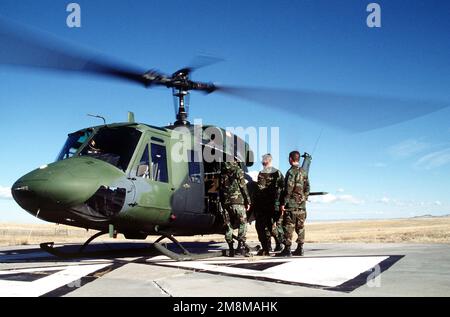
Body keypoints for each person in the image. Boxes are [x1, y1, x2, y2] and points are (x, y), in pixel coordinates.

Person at [278, 151, 310, 257]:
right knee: (300, 227)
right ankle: (300, 249)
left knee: (288, 226)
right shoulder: (303, 172)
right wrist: (303, 198)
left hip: (291, 206)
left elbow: (288, 189)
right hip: (301, 206)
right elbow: (308, 187)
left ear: (291, 159)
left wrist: (283, 203)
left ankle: (287, 249)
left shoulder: (291, 172)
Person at [253, 154, 284, 256]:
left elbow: (260, 190)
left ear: (266, 160)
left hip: (264, 206)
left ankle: (266, 248)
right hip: (274, 205)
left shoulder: (262, 173)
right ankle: (280, 243)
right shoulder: (278, 173)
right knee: (272, 226)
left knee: (261, 226)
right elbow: (283, 188)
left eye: (263, 160)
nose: (262, 161)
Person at [220, 160, 251, 257]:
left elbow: (221, 188)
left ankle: (230, 247)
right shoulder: (238, 169)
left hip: (226, 203)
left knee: (229, 225)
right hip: (237, 202)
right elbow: (243, 186)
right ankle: (240, 246)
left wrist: (222, 202)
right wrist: (248, 200)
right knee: (243, 222)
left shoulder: (222, 171)